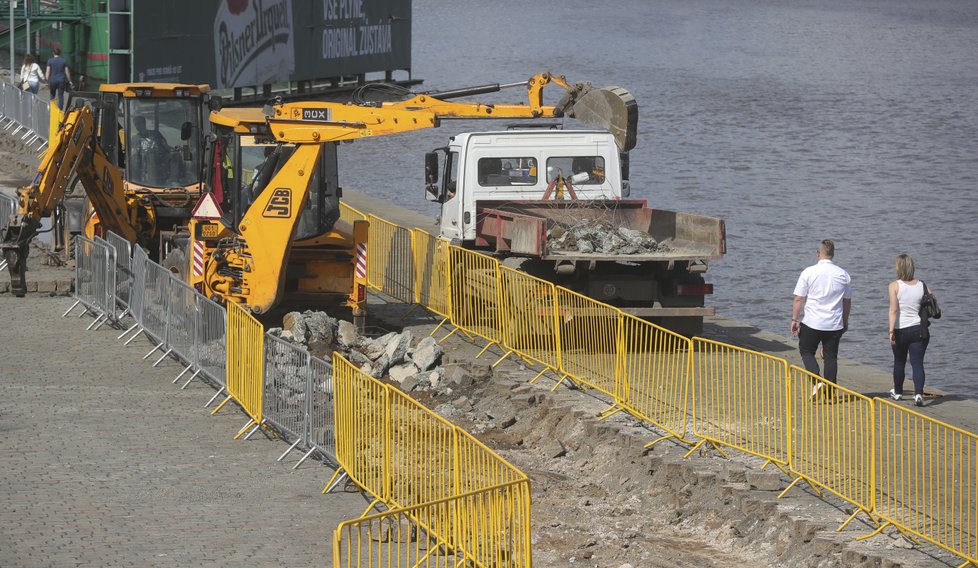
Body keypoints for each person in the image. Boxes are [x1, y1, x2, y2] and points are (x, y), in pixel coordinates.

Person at [790, 239, 852, 395]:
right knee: (831, 357)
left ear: (818, 254)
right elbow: (846, 301)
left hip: (812, 322)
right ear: (833, 254)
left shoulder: (808, 272)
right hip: (834, 323)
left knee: (806, 351)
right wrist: (845, 321)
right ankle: (830, 391)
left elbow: (799, 299)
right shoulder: (843, 275)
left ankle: (817, 382)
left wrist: (794, 320)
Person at [887, 254, 931, 407]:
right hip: (919, 329)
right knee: (917, 362)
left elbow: (893, 310)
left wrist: (891, 331)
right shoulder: (922, 285)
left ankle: (898, 392)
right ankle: (918, 394)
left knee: (899, 361)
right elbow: (931, 299)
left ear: (898, 268)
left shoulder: (894, 286)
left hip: (900, 329)